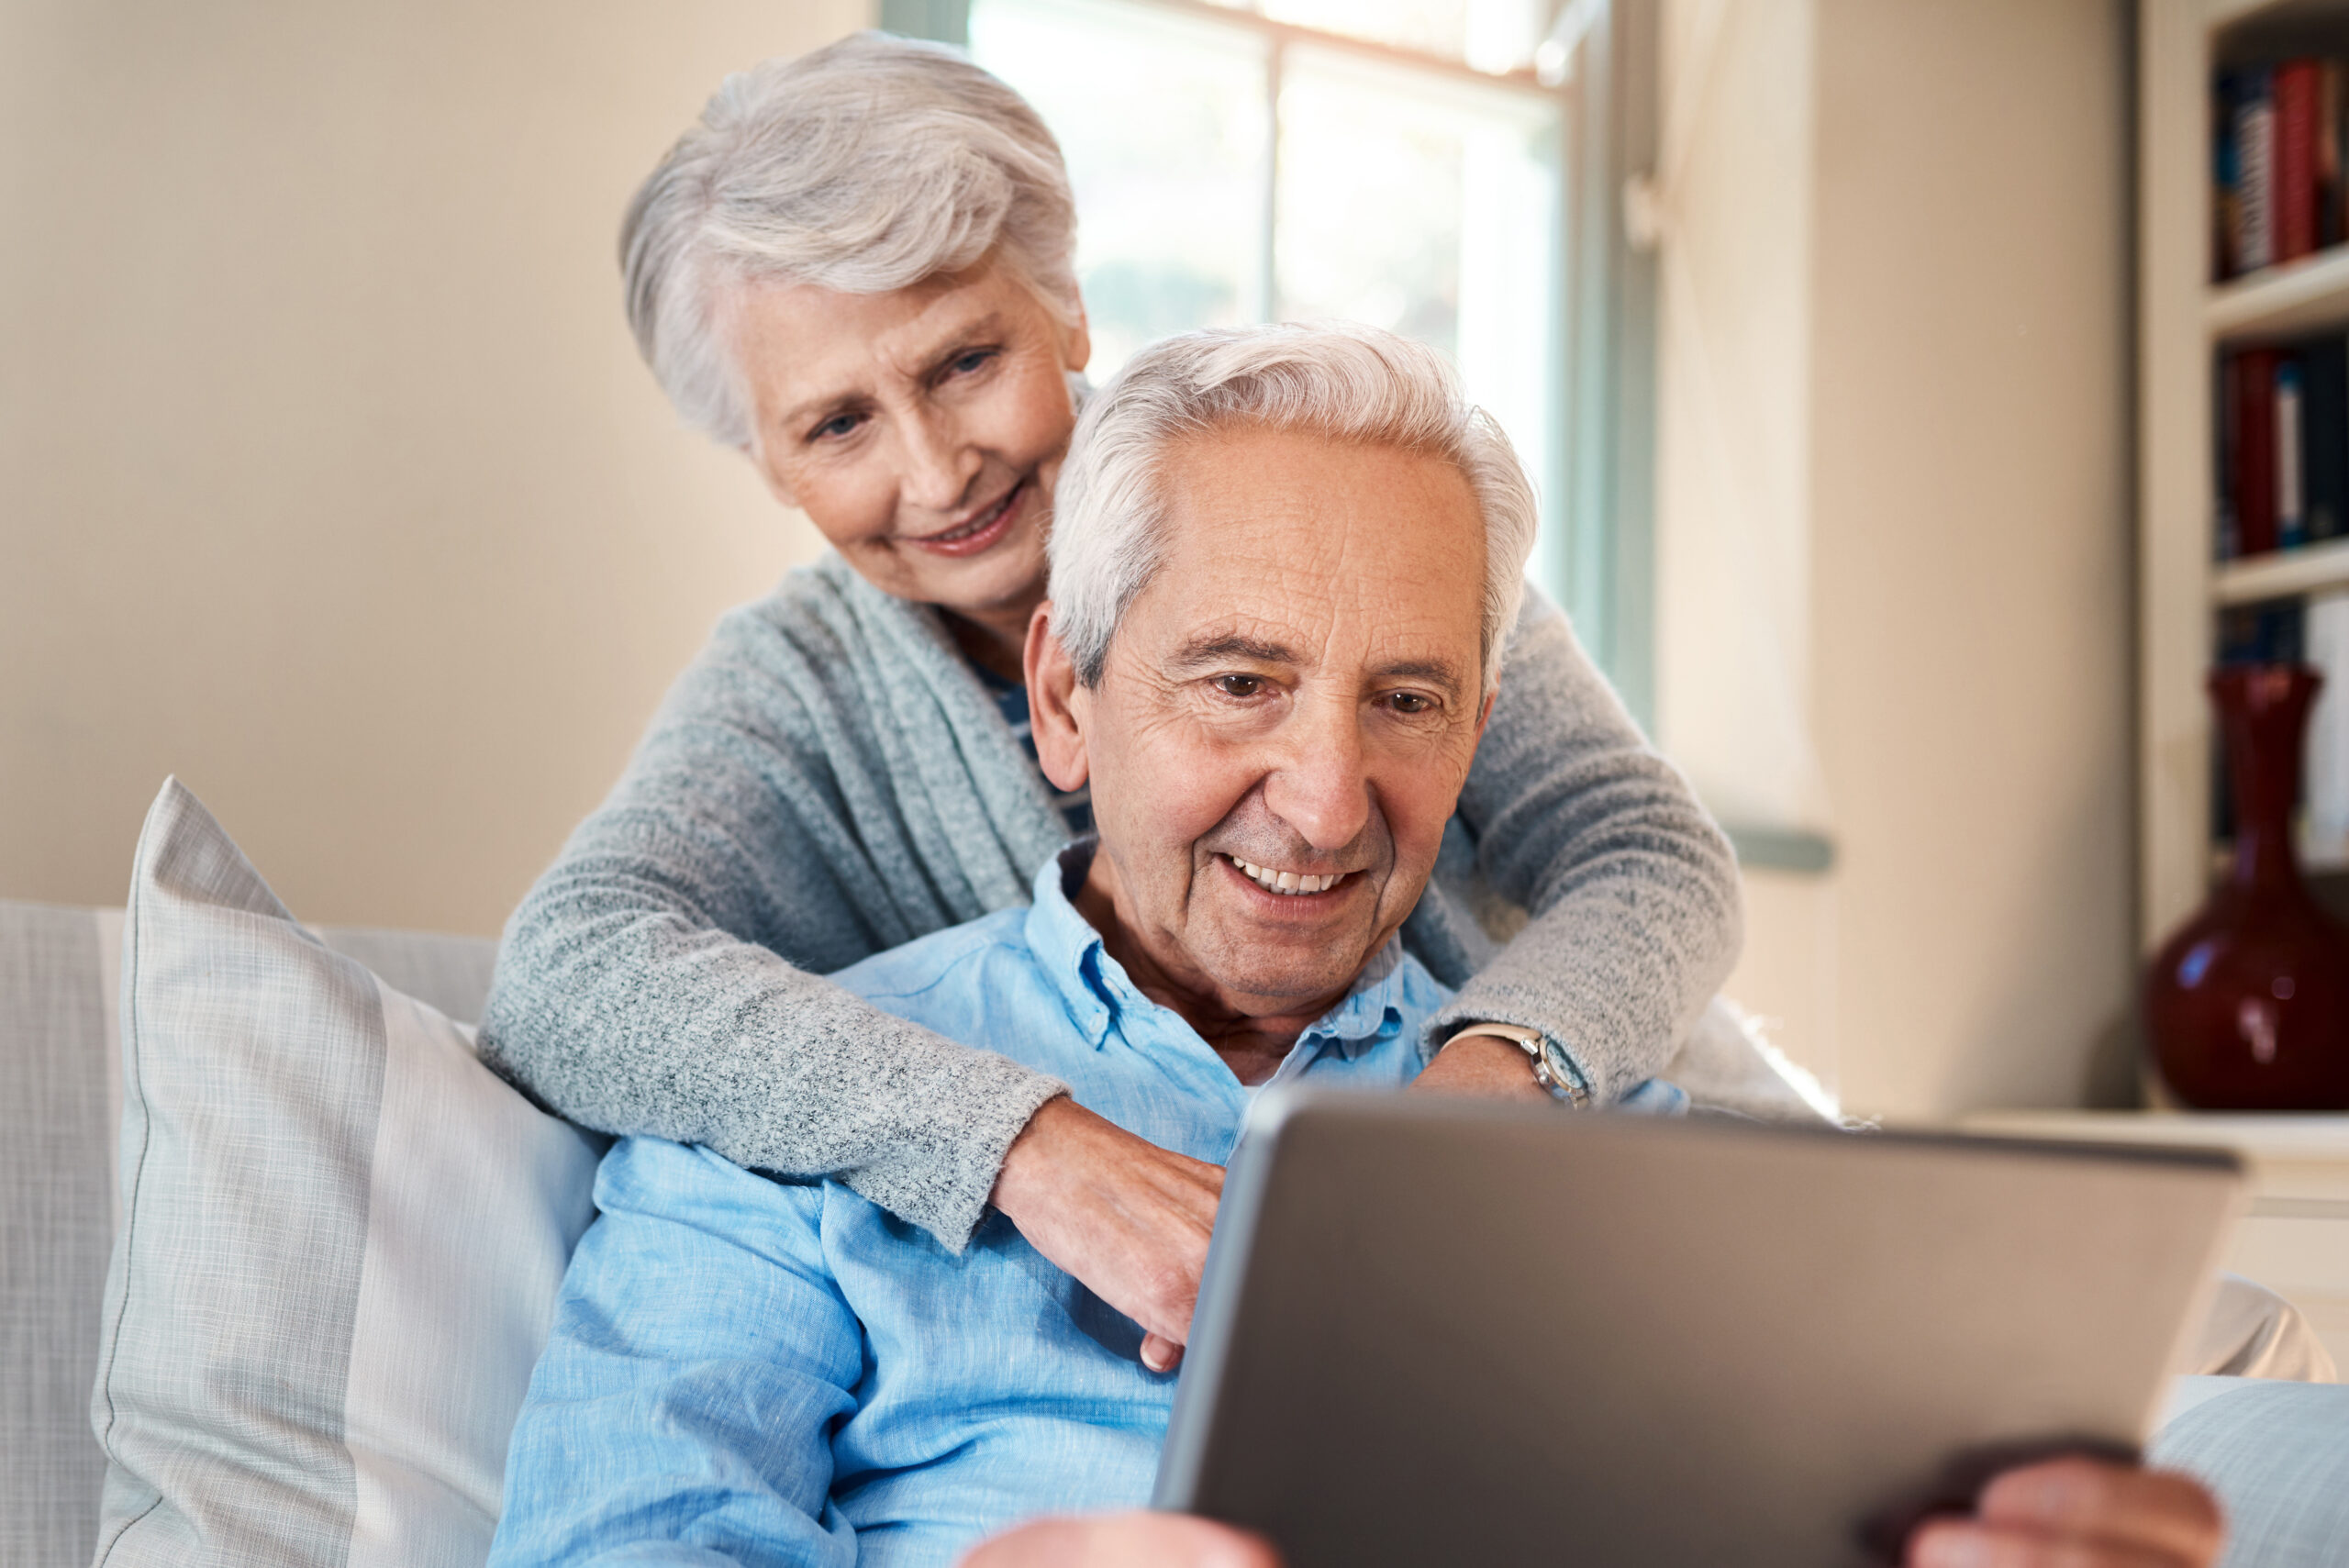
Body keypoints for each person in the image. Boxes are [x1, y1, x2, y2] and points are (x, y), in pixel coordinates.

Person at [486, 325, 2221, 1568]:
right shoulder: (779, 1141)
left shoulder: (1623, 1152)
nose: (1324, 808)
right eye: (1238, 682)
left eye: (1407, 700)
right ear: (1067, 702)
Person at [476, 32, 1745, 1373]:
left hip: (1599, 1147)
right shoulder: (800, 694)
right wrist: (1021, 1138)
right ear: (765, 460)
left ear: (1067, 308)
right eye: (836, 426)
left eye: (965, 361)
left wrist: (1483, 1084)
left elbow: (1652, 854)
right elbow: (566, 975)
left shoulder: (1317, 502)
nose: (938, 469)